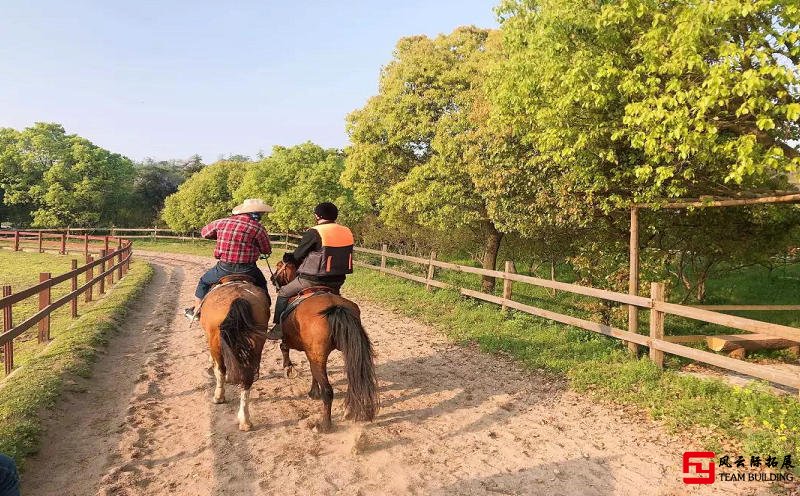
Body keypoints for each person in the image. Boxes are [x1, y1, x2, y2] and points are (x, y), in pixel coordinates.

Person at [266, 202, 353, 340]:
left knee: (283, 293)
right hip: (337, 281)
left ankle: (278, 327)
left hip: (312, 280)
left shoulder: (315, 231)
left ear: (317, 215)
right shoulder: (346, 231)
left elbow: (298, 255)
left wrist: (288, 257)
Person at [184, 198, 273, 320]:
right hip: (248, 270)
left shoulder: (221, 222)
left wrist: (219, 235)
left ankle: (197, 310)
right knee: (262, 284)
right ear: (256, 214)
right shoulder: (258, 228)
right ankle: (264, 311)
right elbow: (266, 249)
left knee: (203, 282)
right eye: (261, 214)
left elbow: (204, 233)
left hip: (224, 268)